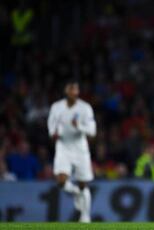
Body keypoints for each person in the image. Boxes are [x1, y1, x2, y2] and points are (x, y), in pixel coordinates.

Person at [47, 79, 96, 223]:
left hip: (80, 147)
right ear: (66, 91)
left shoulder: (85, 108)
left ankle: (85, 216)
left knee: (83, 183)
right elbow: (51, 126)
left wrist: (79, 126)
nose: (74, 92)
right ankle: (76, 193)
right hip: (63, 146)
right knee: (61, 181)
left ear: (78, 91)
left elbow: (92, 131)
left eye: (76, 89)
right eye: (71, 89)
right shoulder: (56, 107)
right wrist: (53, 133)